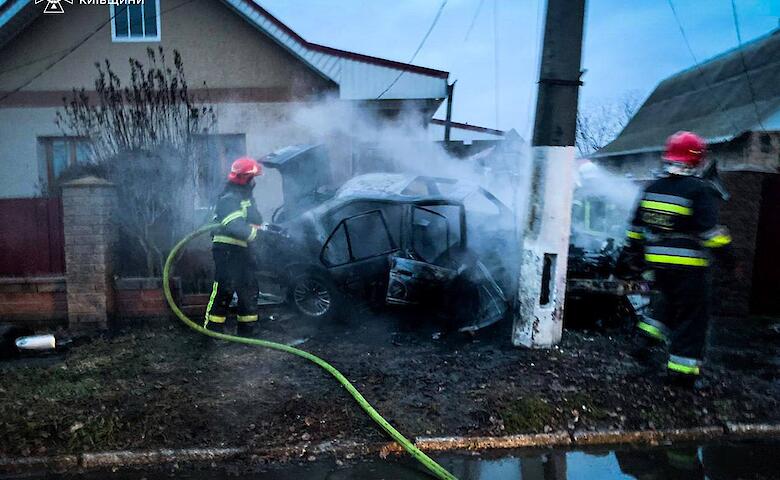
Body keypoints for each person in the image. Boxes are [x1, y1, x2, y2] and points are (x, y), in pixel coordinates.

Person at [620, 131, 732, 386]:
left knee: (668, 303)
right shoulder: (699, 190)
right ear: (697, 160)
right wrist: (728, 255)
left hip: (658, 263)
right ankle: (682, 374)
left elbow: (635, 228)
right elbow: (710, 234)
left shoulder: (652, 188)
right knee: (692, 318)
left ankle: (645, 339)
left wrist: (634, 253)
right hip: (689, 266)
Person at [204, 156, 264, 337]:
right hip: (227, 251)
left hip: (243, 251)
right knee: (224, 290)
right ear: (244, 178)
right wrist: (256, 235)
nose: (254, 182)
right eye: (251, 178)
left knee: (248, 289)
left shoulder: (245, 197)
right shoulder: (229, 199)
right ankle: (213, 334)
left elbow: (253, 220)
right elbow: (235, 225)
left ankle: (248, 333)